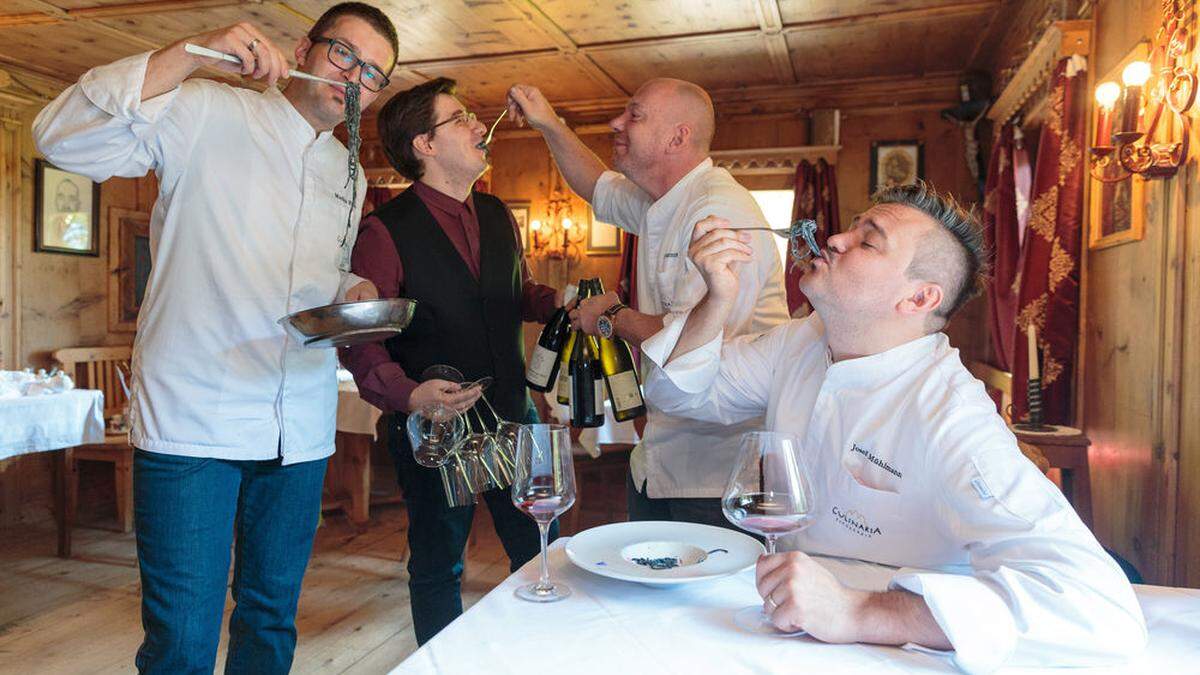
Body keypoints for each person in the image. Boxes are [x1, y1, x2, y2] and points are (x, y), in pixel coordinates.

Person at [639, 182, 1147, 672]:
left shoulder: (952, 417)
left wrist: (859, 612)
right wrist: (718, 297)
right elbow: (677, 395)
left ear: (919, 299)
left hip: (892, 655)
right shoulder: (803, 342)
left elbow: (1100, 612)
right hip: (779, 629)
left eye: (868, 241)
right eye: (852, 228)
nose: (835, 239)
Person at [32, 4, 398, 672]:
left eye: (373, 74)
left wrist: (352, 291)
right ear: (304, 47)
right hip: (194, 418)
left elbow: (321, 270)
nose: (354, 78)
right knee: (181, 640)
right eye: (345, 54)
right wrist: (192, 50)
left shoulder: (352, 174)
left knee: (270, 622)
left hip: (300, 426)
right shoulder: (205, 109)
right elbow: (59, 137)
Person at [340, 77, 563, 645]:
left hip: (515, 417)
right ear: (426, 145)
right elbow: (362, 340)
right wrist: (408, 394)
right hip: (434, 430)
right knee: (440, 564)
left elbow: (516, 292)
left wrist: (562, 303)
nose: (475, 124)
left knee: (544, 552)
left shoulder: (497, 213)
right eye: (459, 117)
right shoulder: (384, 231)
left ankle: (539, 656)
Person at [505, 79, 788, 527]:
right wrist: (548, 122)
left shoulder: (718, 209)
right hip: (659, 461)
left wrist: (612, 316)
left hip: (717, 474)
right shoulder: (665, 202)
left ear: (678, 137)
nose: (616, 122)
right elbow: (596, 186)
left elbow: (701, 344)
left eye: (634, 115)